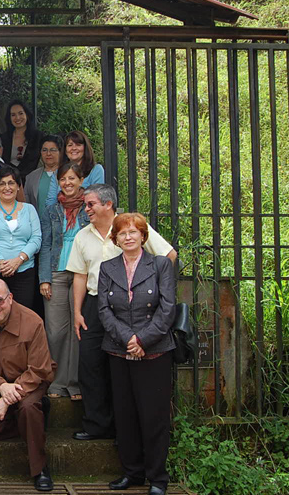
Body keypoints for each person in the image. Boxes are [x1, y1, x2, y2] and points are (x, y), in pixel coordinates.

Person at [66, 184, 177, 442]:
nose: (86, 209)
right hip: (96, 305)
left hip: (132, 308)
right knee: (90, 364)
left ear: (108, 204)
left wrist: (147, 286)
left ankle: (124, 428)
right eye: (85, 205)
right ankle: (96, 424)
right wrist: (77, 311)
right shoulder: (83, 235)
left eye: (90, 204)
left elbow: (168, 255)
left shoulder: (129, 227)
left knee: (125, 368)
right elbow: (80, 275)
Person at [98, 213, 176, 495]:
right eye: (122, 233)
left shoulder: (160, 265)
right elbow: (104, 311)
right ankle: (132, 473)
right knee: (125, 414)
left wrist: (142, 338)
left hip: (153, 351)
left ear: (143, 236)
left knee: (154, 417)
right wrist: (127, 338)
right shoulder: (107, 268)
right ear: (115, 239)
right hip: (118, 350)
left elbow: (168, 309)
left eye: (134, 232)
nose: (128, 237)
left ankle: (157, 478)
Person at [0, 278, 56, 492]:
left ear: (10, 298)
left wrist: (6, 401)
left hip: (30, 382)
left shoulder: (33, 321)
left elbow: (38, 369)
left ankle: (40, 469)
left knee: (27, 408)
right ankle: (32, 422)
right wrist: (1, 388)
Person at [38, 163, 89, 400]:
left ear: (81, 180)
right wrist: (44, 279)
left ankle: (75, 383)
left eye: (71, 178)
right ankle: (56, 382)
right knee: (56, 330)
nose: (67, 183)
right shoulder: (51, 211)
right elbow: (46, 245)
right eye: (63, 179)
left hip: (83, 274)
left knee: (77, 330)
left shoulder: (90, 208)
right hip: (57, 273)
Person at [0, 164, 40, 309]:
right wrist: (0, 262)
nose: (7, 187)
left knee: (22, 316)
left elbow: (36, 239)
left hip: (24, 272)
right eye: (2, 184)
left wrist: (18, 260)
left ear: (18, 186)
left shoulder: (29, 210)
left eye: (11, 183)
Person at [45, 130, 105, 207]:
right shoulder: (57, 172)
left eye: (78, 145)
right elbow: (51, 201)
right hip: (60, 216)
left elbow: (97, 199)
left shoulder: (96, 170)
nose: (74, 148)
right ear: (65, 150)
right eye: (70, 145)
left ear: (85, 148)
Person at [0, 99, 42, 182]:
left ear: (27, 114)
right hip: (8, 183)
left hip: (32, 182)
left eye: (21, 113)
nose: (17, 118)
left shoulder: (38, 137)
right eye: (13, 115)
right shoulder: (3, 138)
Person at [25, 134, 64, 219]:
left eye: (53, 150)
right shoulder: (31, 177)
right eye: (44, 150)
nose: (48, 154)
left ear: (60, 152)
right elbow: (26, 205)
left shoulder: (68, 174)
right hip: (38, 226)